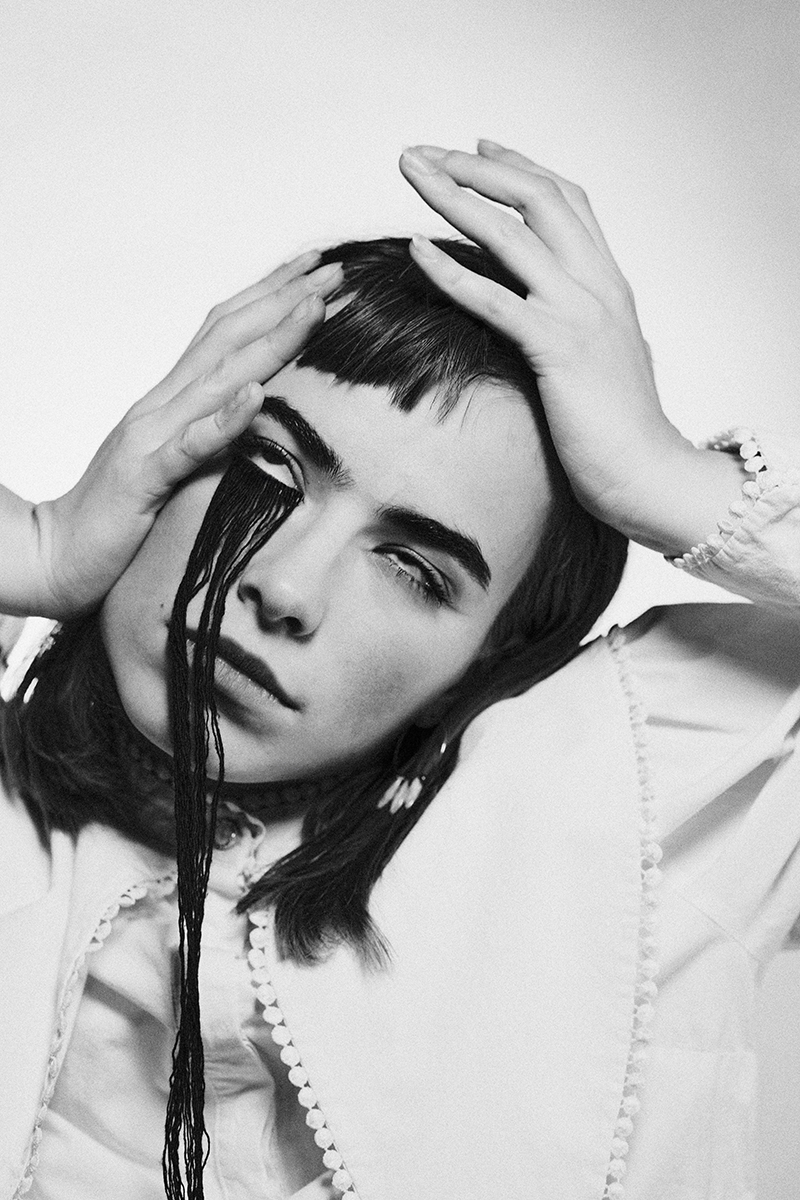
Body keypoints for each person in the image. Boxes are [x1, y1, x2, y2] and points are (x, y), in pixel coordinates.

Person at [1, 141, 798, 1200]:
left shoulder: (639, 801)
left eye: (414, 569)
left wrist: (668, 478)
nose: (286, 588)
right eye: (266, 468)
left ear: (488, 657)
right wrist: (40, 548)